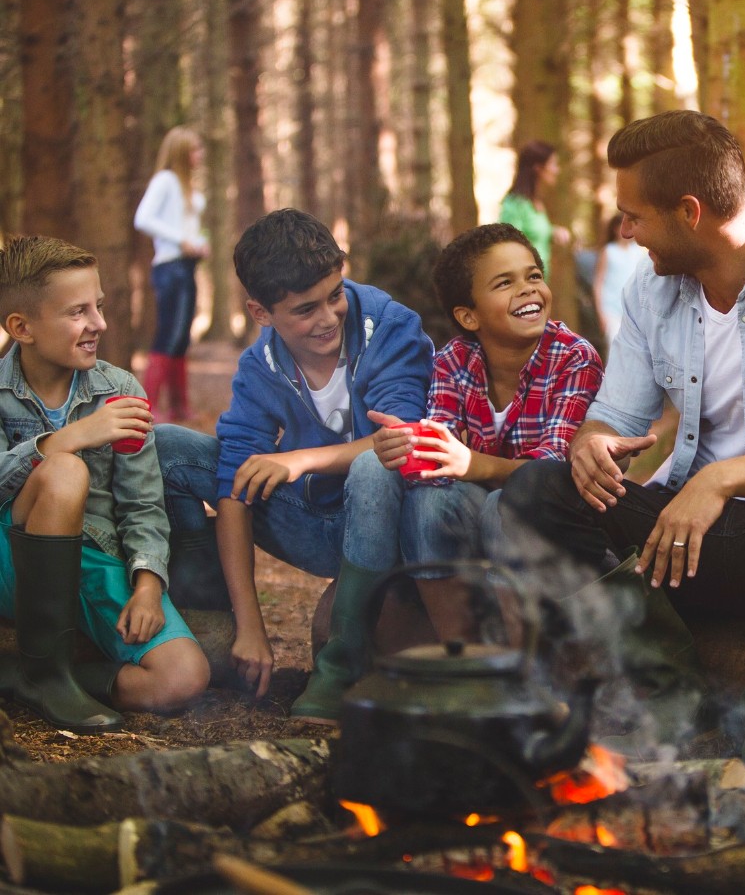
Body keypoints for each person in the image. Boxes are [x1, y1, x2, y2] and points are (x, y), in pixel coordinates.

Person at [499, 110, 745, 770]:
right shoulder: (649, 286)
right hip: (679, 544)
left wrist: (722, 479)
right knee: (536, 490)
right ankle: (665, 692)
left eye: (634, 217)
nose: (624, 232)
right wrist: (590, 445)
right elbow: (614, 415)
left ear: (689, 210)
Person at [291, 223, 603, 723]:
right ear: (468, 315)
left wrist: (471, 464)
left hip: (537, 530)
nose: (528, 289)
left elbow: (550, 476)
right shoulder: (455, 361)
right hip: (463, 528)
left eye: (533, 276)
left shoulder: (573, 359)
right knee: (400, 480)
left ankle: (524, 676)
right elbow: (439, 465)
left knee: (508, 502)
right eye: (504, 283)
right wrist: (411, 446)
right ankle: (450, 662)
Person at [153, 209, 434, 699]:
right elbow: (233, 486)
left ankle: (338, 664)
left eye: (335, 295)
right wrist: (250, 626)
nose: (327, 318)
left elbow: (401, 441)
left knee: (374, 465)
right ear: (262, 313)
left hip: (385, 524)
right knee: (168, 447)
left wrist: (300, 459)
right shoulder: (259, 366)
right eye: (306, 310)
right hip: (308, 521)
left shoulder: (390, 326)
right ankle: (205, 608)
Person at [0, 235, 209, 732]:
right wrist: (68, 439)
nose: (99, 324)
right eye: (78, 312)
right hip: (9, 560)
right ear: (21, 327)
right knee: (65, 470)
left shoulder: (119, 391)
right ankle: (48, 677)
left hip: (91, 557)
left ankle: (25, 673)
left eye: (98, 306)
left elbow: (142, 504)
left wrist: (146, 585)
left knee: (182, 677)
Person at [134, 126, 209, 422]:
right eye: (195, 149)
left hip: (187, 267)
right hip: (170, 268)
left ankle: (179, 407)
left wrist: (200, 244)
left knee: (181, 338)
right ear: (181, 153)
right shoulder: (164, 180)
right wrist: (181, 240)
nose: (200, 155)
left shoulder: (187, 187)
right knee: (168, 335)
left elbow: (190, 227)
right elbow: (143, 218)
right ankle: (147, 407)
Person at [499, 140, 570, 273]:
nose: (557, 170)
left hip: (539, 282)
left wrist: (553, 232)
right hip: (524, 286)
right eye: (553, 164)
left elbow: (533, 234)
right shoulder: (515, 203)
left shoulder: (536, 203)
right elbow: (508, 243)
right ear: (538, 168)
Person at [592, 212, 646, 345]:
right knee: (614, 350)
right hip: (611, 311)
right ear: (616, 228)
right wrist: (601, 314)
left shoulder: (638, 252)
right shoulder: (608, 251)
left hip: (633, 313)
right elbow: (598, 284)